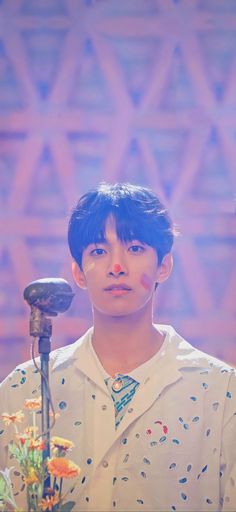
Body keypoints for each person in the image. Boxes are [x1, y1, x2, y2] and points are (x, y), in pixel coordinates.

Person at [0, 182, 235, 512]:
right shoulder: (23, 390)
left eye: (135, 248)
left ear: (163, 266)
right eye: (98, 251)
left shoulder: (221, 391)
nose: (117, 266)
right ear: (78, 273)